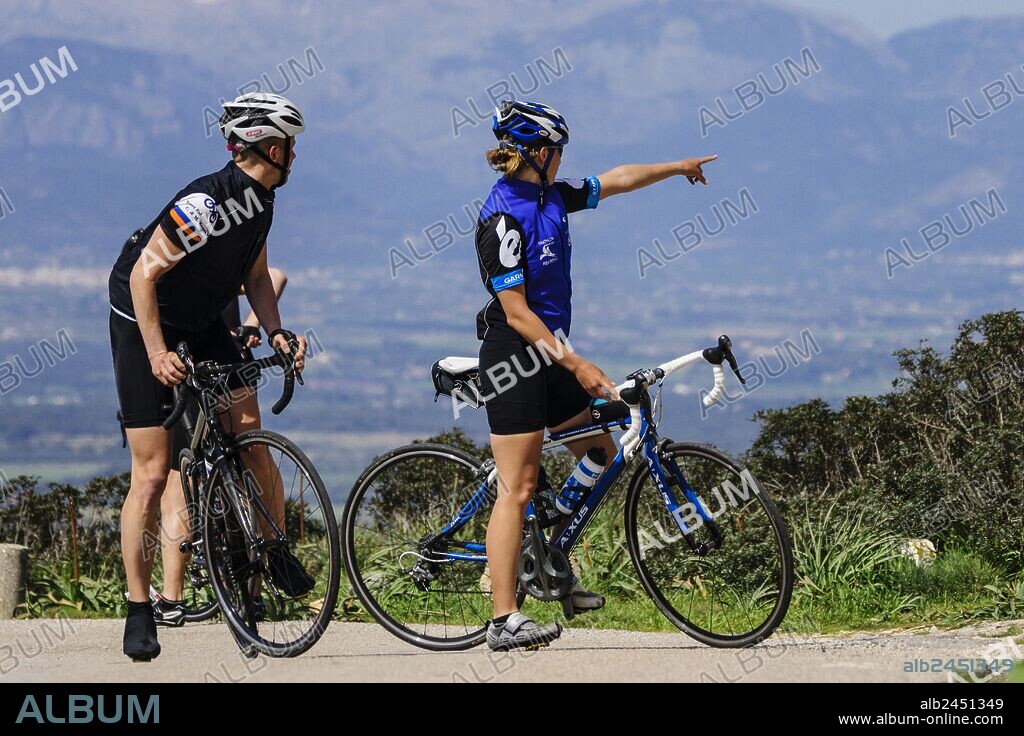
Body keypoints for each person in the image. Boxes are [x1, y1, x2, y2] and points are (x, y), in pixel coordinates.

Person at [474, 100, 717, 651]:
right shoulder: (503, 218)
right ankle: (503, 619)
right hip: (515, 353)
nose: (562, 161)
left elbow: (617, 180)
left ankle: (549, 557)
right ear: (537, 154)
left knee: (601, 452)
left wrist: (676, 168)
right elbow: (515, 313)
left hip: (551, 351)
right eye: (557, 152)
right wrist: (578, 363)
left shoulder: (551, 196)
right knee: (518, 486)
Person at [107, 93, 308, 660]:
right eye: (293, 147)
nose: (296, 157)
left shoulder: (262, 202)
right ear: (274, 147)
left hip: (201, 319)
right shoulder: (205, 203)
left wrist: (276, 332)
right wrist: (155, 354)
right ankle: (140, 607)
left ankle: (272, 551)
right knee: (150, 475)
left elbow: (258, 275)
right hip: (143, 316)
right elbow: (146, 276)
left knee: (251, 439)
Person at [152, 266, 288, 627]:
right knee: (249, 462)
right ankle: (259, 585)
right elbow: (273, 275)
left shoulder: (171, 263)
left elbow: (271, 275)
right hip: (233, 362)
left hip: (188, 367)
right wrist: (252, 328)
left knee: (179, 481)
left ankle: (171, 598)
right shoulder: (224, 262)